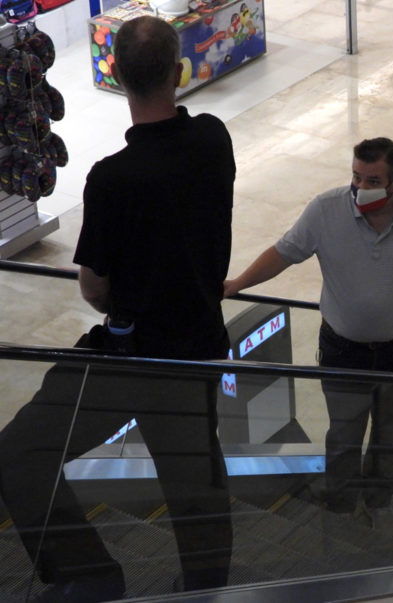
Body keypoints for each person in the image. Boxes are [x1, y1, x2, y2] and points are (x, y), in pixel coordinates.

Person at [0, 16, 235, 601]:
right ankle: (206, 589)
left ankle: (89, 573)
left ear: (115, 76)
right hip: (196, 350)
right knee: (195, 484)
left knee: (22, 453)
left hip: (130, 357)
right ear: (179, 72)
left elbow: (94, 288)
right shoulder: (214, 139)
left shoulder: (111, 180)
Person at [224, 137, 393, 518]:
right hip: (343, 350)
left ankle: (380, 502)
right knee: (344, 435)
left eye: (372, 181)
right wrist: (238, 283)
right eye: (356, 177)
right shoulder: (325, 210)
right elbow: (284, 253)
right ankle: (340, 505)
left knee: (390, 432)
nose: (360, 188)